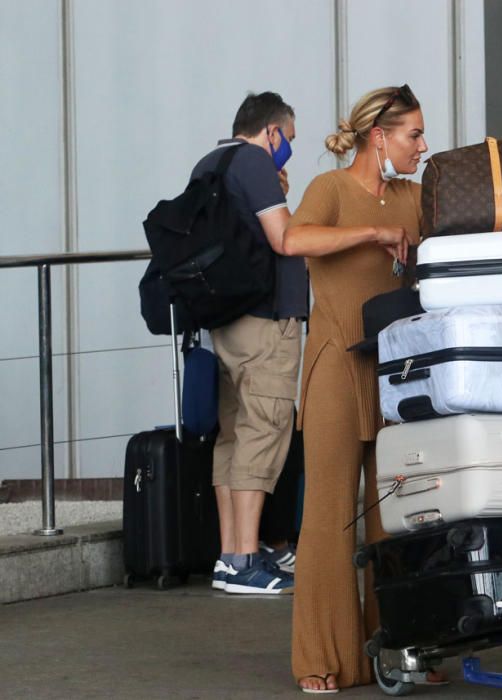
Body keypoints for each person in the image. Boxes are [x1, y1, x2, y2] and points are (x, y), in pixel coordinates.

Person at [281, 85, 440, 694]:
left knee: (396, 512)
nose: (422, 147)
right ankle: (323, 658)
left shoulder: (414, 197)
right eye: (413, 135)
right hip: (335, 367)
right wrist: (374, 233)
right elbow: (296, 241)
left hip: (397, 371)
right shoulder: (330, 189)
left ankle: (402, 647)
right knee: (328, 515)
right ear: (380, 137)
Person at [194, 92, 307, 595]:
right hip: (266, 320)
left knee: (234, 435)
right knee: (264, 430)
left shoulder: (209, 162)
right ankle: (243, 563)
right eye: (289, 140)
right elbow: (284, 239)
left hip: (226, 319)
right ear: (272, 132)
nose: (287, 151)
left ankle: (230, 553)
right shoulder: (256, 163)